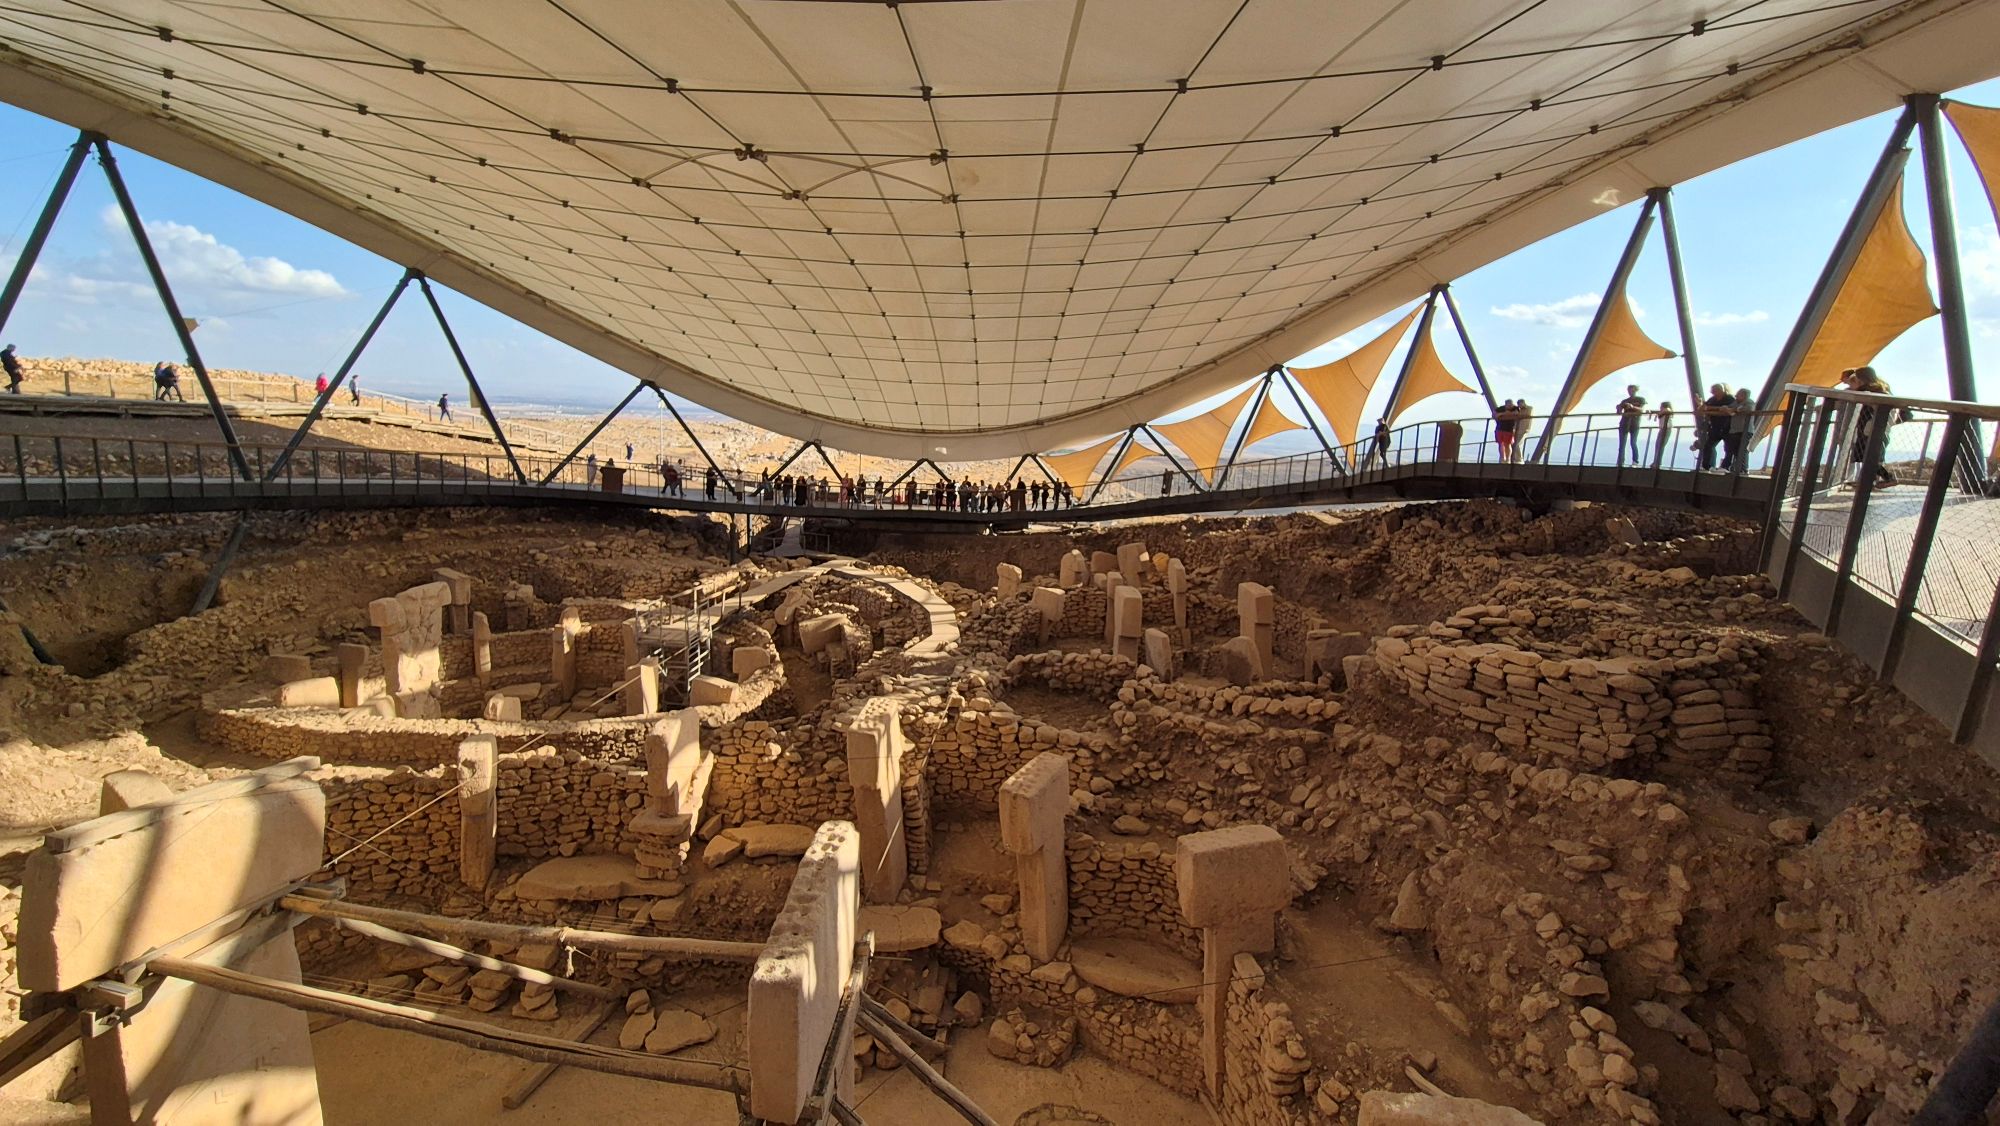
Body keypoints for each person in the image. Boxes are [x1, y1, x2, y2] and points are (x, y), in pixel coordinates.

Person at [1841, 366, 1904, 487]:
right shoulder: (1881, 388)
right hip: (1881, 427)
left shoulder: (1870, 390)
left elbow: (1855, 393)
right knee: (1865, 455)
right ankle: (1865, 482)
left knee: (1868, 456)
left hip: (1874, 428)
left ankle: (1888, 477)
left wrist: (1850, 385)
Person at [1697, 384, 1732, 470]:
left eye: (1714, 390)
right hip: (1715, 426)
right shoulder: (1712, 399)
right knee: (1708, 445)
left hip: (1727, 426)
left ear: (1720, 390)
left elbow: (1727, 411)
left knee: (1728, 448)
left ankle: (1725, 466)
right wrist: (1706, 408)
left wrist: (1709, 410)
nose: (1712, 393)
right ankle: (1707, 466)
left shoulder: (1729, 399)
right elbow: (1701, 409)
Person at [1722, 388, 1755, 473]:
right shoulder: (1736, 403)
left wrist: (1733, 410)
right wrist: (1727, 409)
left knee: (1742, 450)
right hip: (1734, 430)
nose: (1736, 396)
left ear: (1744, 395)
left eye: (1738, 394)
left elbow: (1747, 409)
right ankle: (1736, 467)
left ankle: (1743, 469)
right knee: (1734, 449)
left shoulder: (1749, 402)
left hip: (1745, 430)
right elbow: (1727, 408)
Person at [1615, 384, 1646, 466]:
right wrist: (1619, 408)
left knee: (1633, 442)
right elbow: (1619, 413)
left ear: (1635, 390)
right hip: (1624, 423)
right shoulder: (1624, 401)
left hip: (1634, 423)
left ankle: (1635, 461)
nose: (1630, 392)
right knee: (1622, 444)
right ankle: (1620, 462)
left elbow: (1642, 410)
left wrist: (1632, 406)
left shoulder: (1640, 399)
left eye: (1632, 390)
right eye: (1629, 390)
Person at [1652, 401, 1675, 467]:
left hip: (1666, 429)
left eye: (1661, 406)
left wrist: (1659, 413)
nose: (1660, 408)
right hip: (1662, 429)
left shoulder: (1667, 410)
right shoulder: (1663, 412)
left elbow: (1667, 410)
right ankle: (1656, 461)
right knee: (1657, 445)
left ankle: (1658, 463)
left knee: (1661, 445)